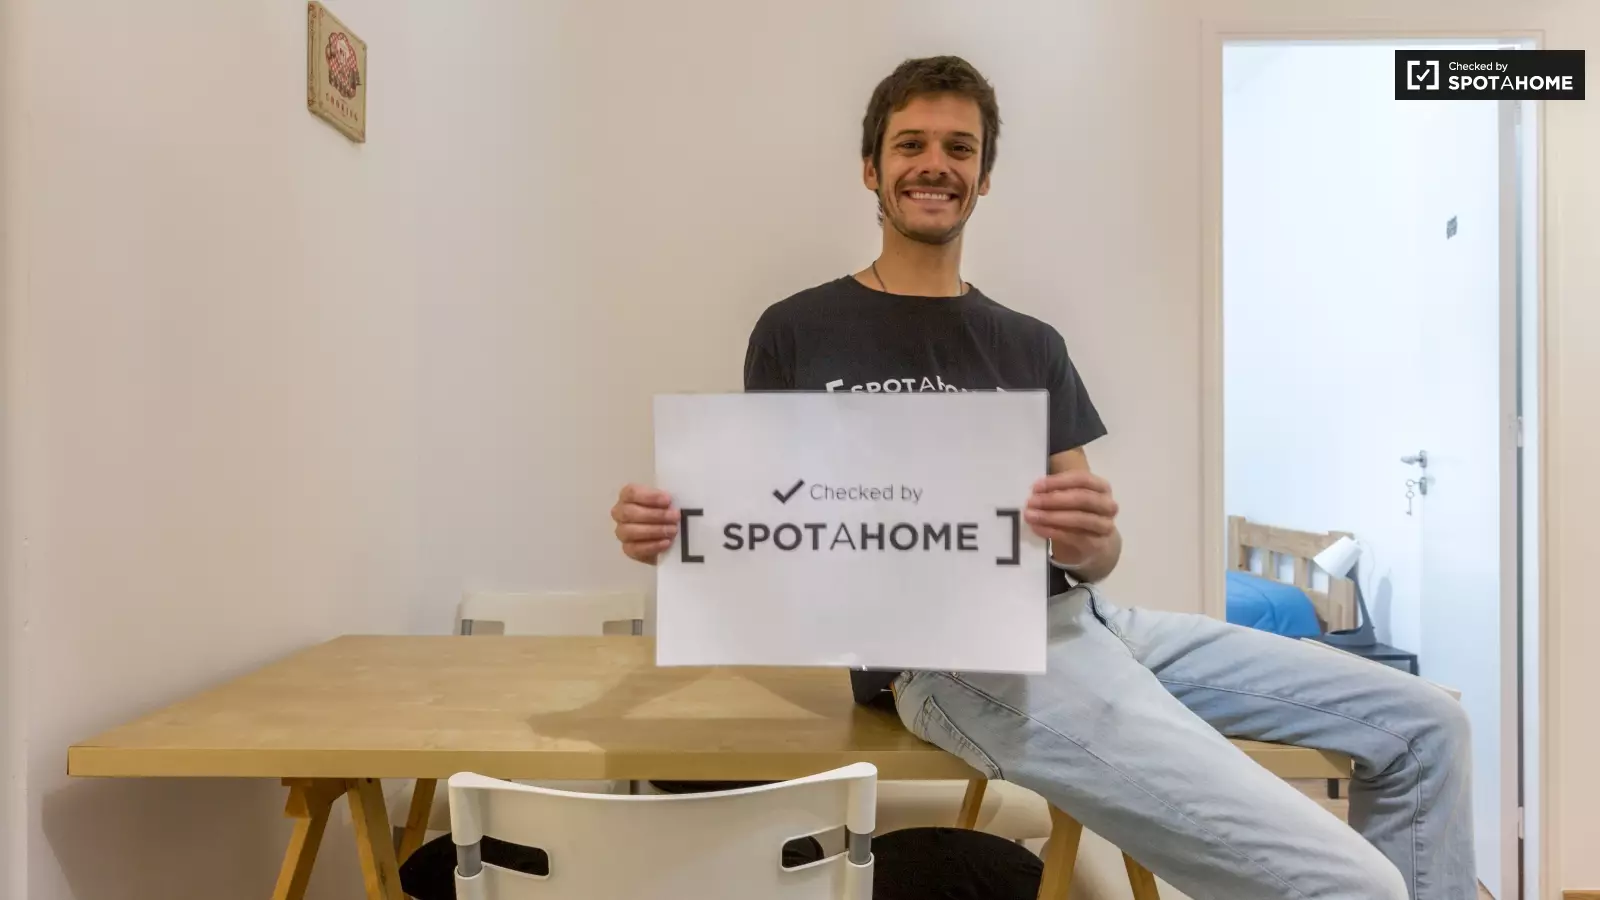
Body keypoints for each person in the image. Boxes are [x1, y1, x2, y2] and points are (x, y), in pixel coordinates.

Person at [608, 55, 1474, 900]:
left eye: (960, 148)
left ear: (983, 177)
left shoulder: (1029, 343)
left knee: (1427, 726)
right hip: (950, 661)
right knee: (1353, 884)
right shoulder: (796, 330)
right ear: (871, 169)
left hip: (1085, 620)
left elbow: (1095, 554)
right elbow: (775, 528)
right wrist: (686, 542)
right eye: (911, 145)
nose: (935, 164)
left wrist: (1089, 537)